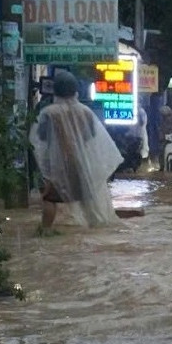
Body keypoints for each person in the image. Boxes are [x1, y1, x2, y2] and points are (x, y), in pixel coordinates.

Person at [27, 69, 123, 234]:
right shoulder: (86, 112)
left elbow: (40, 140)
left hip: (56, 167)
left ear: (55, 90)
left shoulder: (48, 113)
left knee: (49, 199)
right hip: (81, 165)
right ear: (75, 90)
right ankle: (98, 233)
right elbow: (91, 136)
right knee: (90, 203)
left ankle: (45, 231)